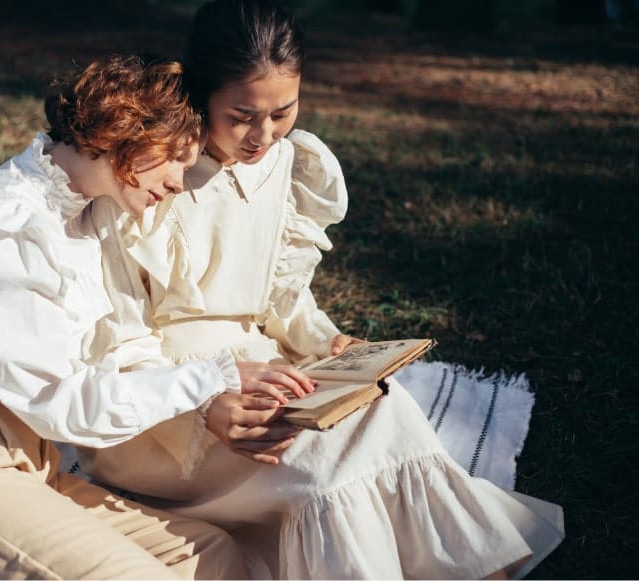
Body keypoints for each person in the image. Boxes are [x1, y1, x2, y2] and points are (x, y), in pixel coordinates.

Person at [77, 1, 566, 579]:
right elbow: (116, 342)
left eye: (282, 112)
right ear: (202, 95)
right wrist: (206, 407)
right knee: (322, 462)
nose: (263, 135)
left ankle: (471, 566)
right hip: (164, 409)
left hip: (258, 361)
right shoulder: (145, 177)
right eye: (241, 116)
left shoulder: (286, 163)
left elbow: (281, 299)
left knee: (386, 408)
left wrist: (327, 342)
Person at [0, 54, 314, 580]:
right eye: (176, 159)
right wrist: (210, 377)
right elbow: (56, 402)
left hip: (32, 469)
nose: (180, 182)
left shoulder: (80, 213)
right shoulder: (8, 225)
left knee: (210, 555)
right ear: (131, 135)